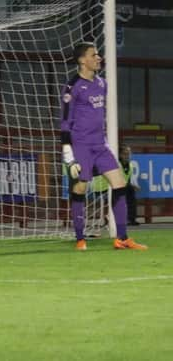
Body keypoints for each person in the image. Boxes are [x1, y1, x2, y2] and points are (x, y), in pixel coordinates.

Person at [60, 41, 146, 251]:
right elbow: (65, 121)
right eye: (94, 54)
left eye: (98, 54)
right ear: (82, 60)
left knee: (119, 184)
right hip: (81, 146)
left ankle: (122, 238)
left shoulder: (102, 83)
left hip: (100, 144)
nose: (99, 58)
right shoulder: (72, 87)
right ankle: (80, 239)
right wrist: (67, 152)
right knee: (80, 188)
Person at [119, 144, 141, 226]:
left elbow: (126, 180)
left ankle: (131, 219)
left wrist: (133, 185)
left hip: (123, 186)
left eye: (129, 153)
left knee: (131, 191)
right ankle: (123, 219)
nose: (127, 156)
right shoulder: (117, 164)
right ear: (120, 154)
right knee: (127, 190)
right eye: (125, 153)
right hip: (110, 186)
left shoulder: (130, 166)